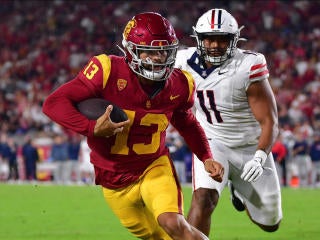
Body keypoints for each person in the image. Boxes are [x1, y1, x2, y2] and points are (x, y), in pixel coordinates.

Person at [43, 12, 224, 240]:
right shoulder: (106, 70)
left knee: (175, 225)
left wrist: (206, 156)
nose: (158, 59)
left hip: (153, 167)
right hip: (113, 180)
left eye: (163, 52)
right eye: (149, 51)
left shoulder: (180, 83)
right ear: (130, 50)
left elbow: (186, 121)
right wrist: (90, 128)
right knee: (159, 237)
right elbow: (53, 103)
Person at [175, 8, 282, 236]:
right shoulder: (182, 61)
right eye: (209, 39)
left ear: (233, 40)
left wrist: (260, 156)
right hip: (212, 142)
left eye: (222, 39)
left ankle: (238, 191)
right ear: (199, 40)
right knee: (203, 199)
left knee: (270, 224)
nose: (215, 45)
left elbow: (270, 121)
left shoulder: (248, 65)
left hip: (250, 147)